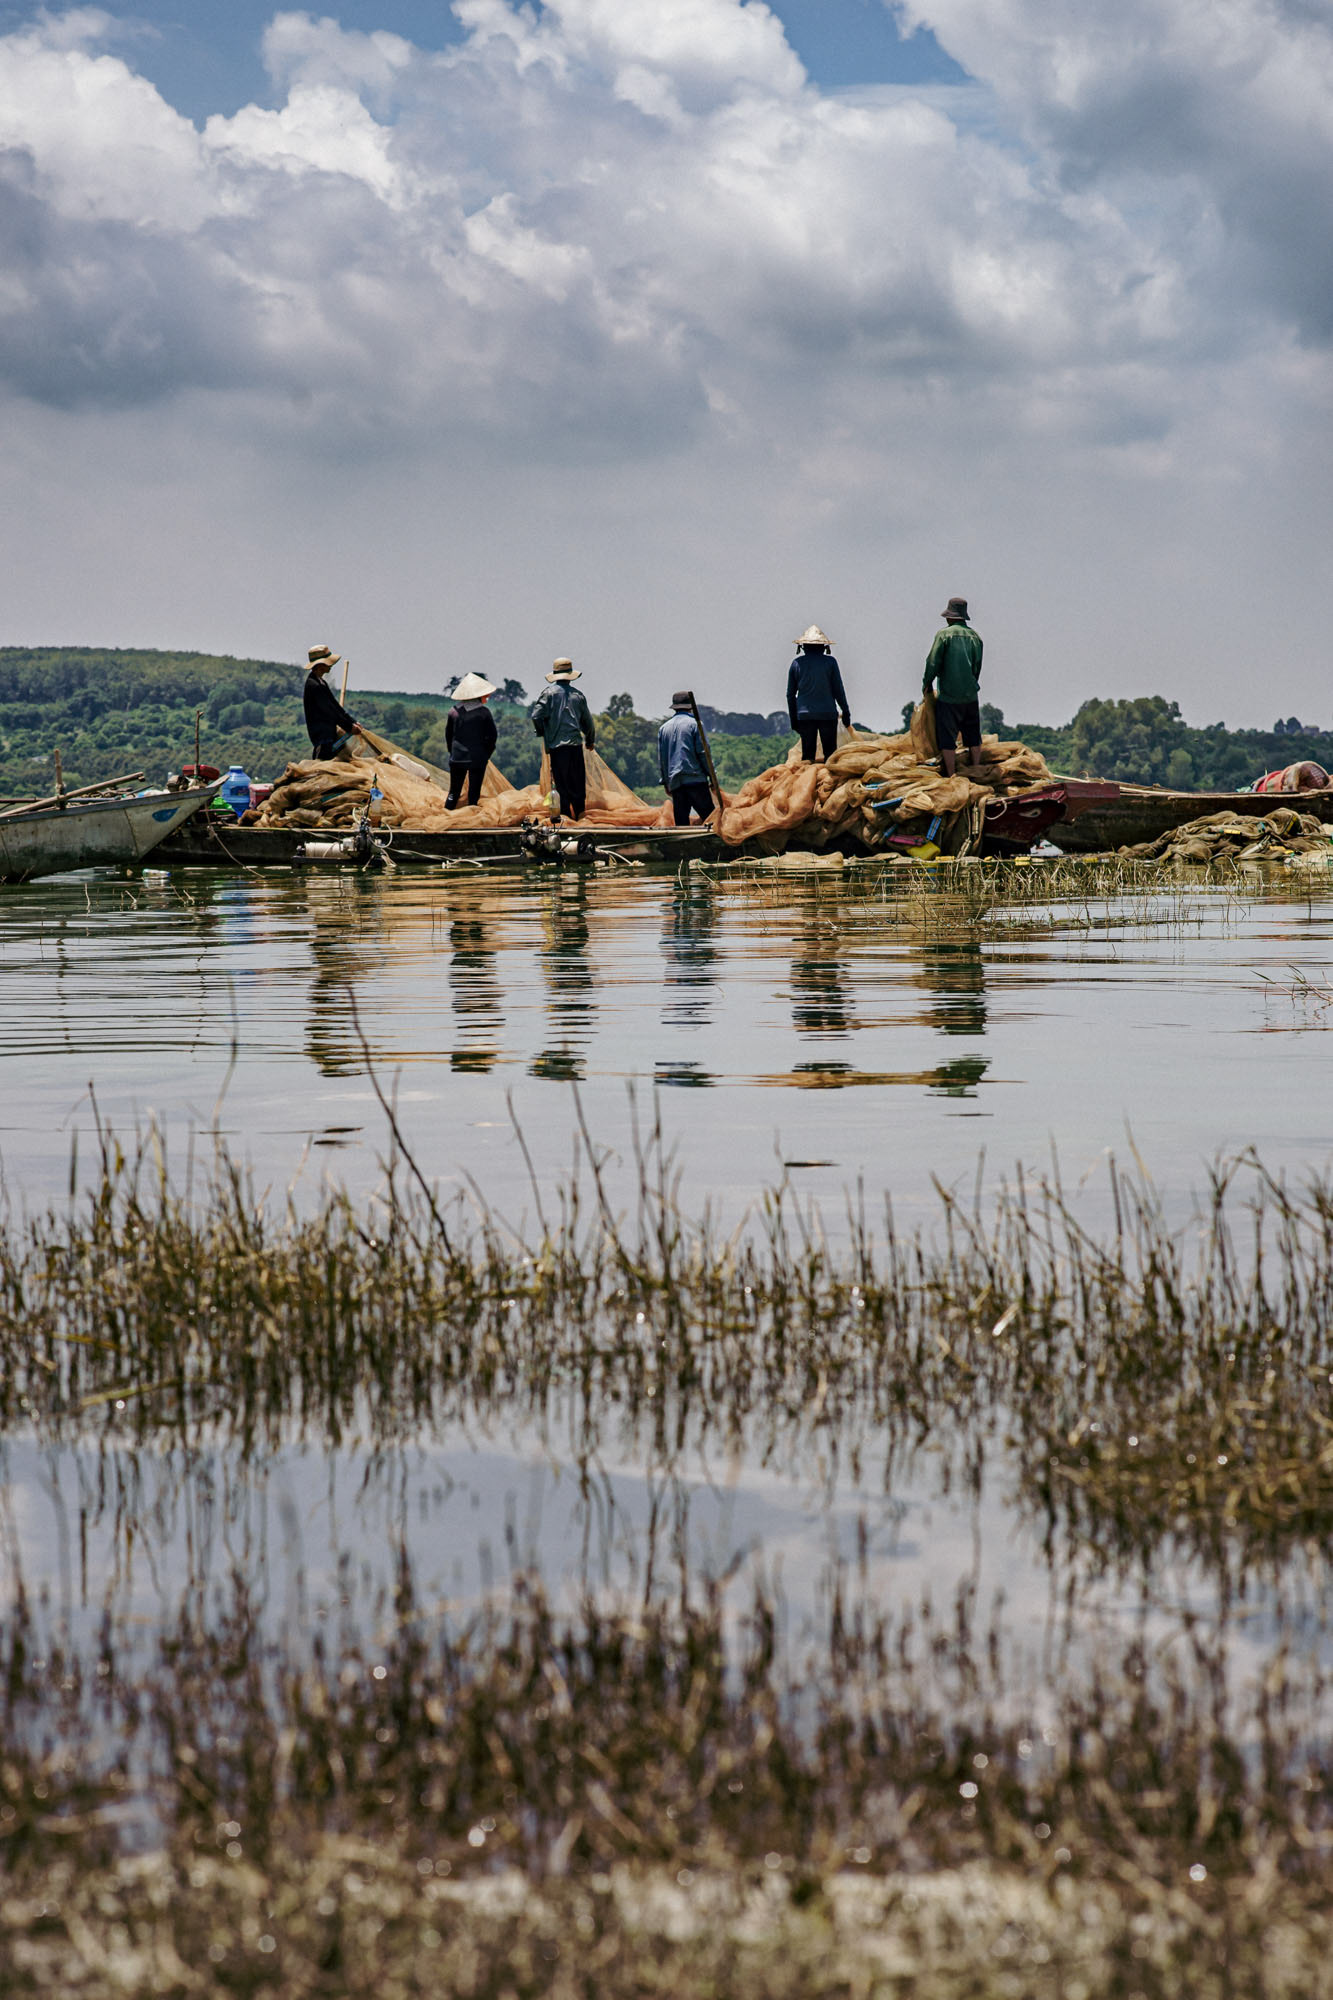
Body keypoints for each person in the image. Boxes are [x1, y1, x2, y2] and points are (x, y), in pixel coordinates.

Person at [922, 597, 984, 777]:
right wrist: (971, 684)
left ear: (950, 617)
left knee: (947, 737)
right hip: (970, 695)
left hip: (949, 695)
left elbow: (933, 661)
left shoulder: (944, 635)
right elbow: (977, 666)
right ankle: (976, 769)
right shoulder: (975, 637)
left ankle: (950, 774)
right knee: (973, 735)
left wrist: (927, 682)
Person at [530, 658, 595, 818]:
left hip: (557, 748)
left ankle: (566, 817)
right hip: (575, 746)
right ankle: (579, 816)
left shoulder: (548, 694)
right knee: (578, 784)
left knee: (562, 784)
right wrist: (590, 740)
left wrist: (543, 731)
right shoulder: (578, 696)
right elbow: (588, 722)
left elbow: (536, 716)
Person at [787, 625, 850, 762]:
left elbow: (790, 695)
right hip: (827, 714)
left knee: (808, 757)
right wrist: (846, 712)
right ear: (824, 647)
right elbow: (838, 690)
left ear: (803, 647)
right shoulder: (830, 662)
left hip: (805, 716)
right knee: (830, 756)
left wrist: (794, 720)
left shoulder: (796, 664)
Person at [658, 693, 714, 826]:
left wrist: (666, 782)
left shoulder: (664, 728)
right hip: (695, 781)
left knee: (681, 824)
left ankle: (683, 846)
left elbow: (663, 760)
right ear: (690, 707)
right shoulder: (695, 724)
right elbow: (703, 753)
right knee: (712, 820)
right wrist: (712, 776)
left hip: (676, 783)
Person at [444, 672, 499, 808]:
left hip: (457, 757)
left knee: (453, 793)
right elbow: (492, 737)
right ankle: (472, 821)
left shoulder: (453, 711)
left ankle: (447, 813)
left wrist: (453, 753)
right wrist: (486, 755)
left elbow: (448, 736)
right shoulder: (484, 713)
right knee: (474, 794)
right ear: (479, 695)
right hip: (477, 758)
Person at [303, 644, 362, 760]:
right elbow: (330, 711)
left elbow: (335, 707)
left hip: (330, 736)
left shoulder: (321, 683)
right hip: (323, 739)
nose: (331, 665)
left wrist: (352, 722)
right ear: (320, 665)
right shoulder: (313, 685)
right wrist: (349, 727)